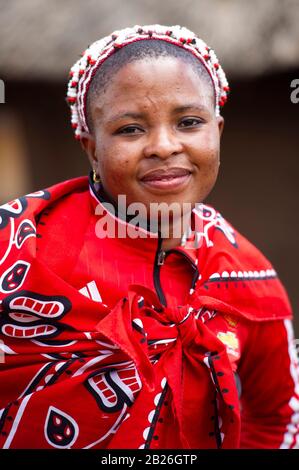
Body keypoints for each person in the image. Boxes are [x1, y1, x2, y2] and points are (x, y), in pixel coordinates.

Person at [0, 24, 298, 450]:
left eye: (189, 122)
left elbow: (277, 420)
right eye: (130, 130)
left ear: (218, 132)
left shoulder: (249, 280)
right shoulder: (19, 248)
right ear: (91, 148)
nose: (163, 145)